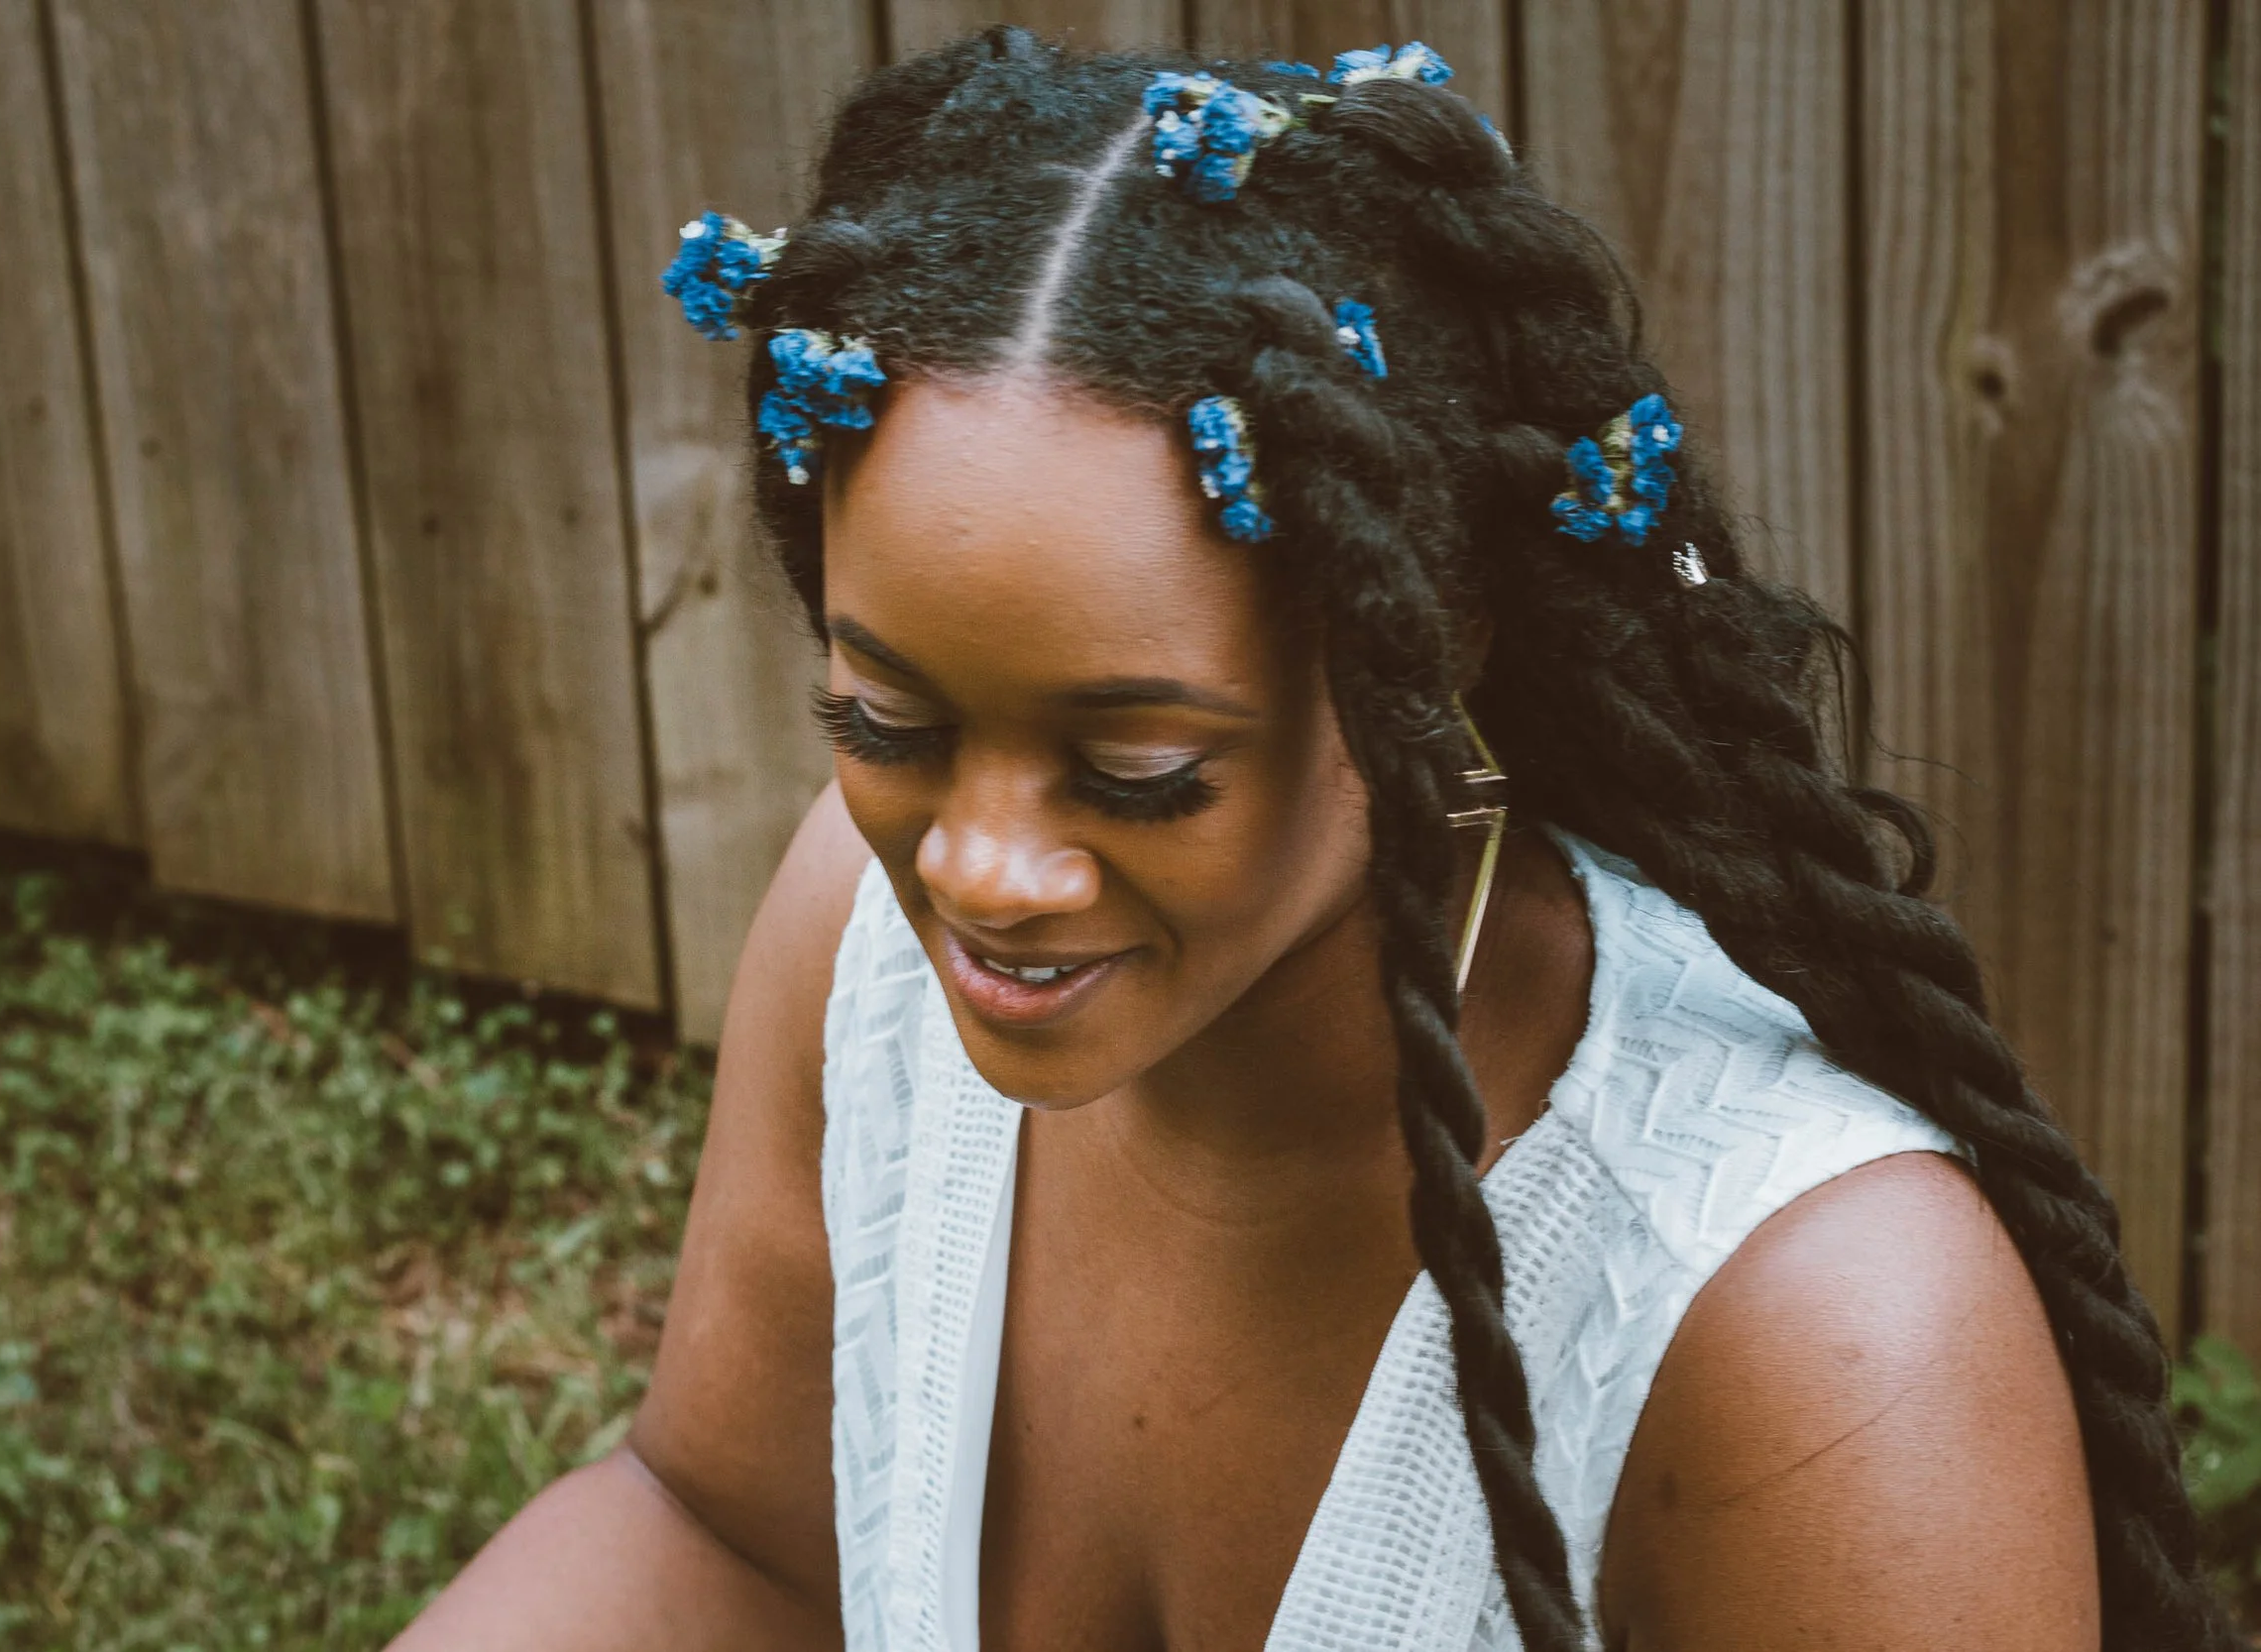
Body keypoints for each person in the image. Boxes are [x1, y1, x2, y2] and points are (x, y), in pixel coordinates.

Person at [391, 30, 2237, 1652]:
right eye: (892, 724)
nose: (975, 867)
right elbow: (729, 1540)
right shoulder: (858, 944)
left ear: (1430, 662)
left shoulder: (1817, 1333)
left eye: (1134, 770)